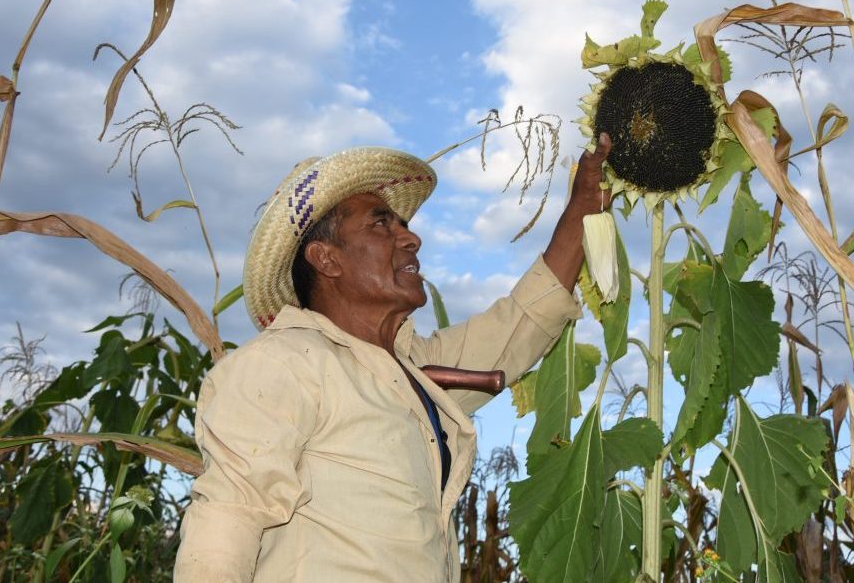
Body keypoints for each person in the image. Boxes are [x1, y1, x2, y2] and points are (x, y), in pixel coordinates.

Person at [173, 133, 613, 581]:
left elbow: (524, 319)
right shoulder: (283, 364)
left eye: (401, 224)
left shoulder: (415, 373)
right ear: (326, 259)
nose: (411, 238)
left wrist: (583, 206)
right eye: (380, 224)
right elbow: (227, 522)